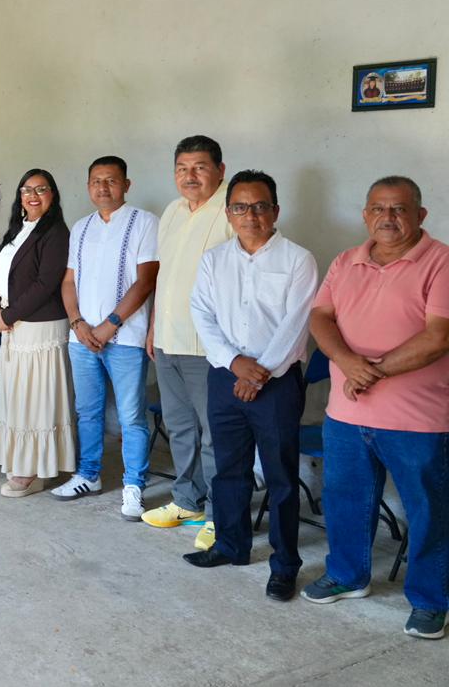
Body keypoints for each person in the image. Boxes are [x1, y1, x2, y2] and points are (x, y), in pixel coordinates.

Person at [302, 176, 449, 640]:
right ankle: (348, 575)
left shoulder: (442, 262)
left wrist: (374, 371)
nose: (388, 217)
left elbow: (438, 336)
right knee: (346, 501)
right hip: (346, 416)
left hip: (417, 418)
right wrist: (345, 361)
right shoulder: (346, 261)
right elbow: (320, 317)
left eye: (400, 209)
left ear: (420, 215)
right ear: (365, 214)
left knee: (429, 509)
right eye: (378, 208)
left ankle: (431, 600)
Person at [184, 171, 318, 602]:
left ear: (275, 211)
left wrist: (260, 372)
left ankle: (284, 565)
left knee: (280, 477)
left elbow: (297, 324)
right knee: (228, 470)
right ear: (228, 213)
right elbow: (201, 313)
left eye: (260, 206)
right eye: (240, 207)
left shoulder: (298, 260)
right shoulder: (214, 259)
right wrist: (236, 364)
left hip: (276, 383)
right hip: (225, 377)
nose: (250, 215)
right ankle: (231, 545)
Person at [53, 156, 159, 521]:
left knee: (131, 415)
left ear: (126, 185)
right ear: (88, 187)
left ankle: (134, 484)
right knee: (88, 411)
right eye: (96, 181)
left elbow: (146, 281)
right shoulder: (80, 228)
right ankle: (88, 474)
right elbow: (69, 281)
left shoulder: (145, 222)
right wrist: (78, 322)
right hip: (82, 337)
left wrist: (110, 323)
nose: (103, 187)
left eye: (111, 180)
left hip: (126, 337)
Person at [142, 136, 233, 550]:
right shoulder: (172, 211)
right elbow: (164, 276)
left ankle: (220, 513)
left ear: (220, 170)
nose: (190, 176)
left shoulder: (234, 211)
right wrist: (153, 328)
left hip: (210, 346)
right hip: (168, 339)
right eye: (182, 168)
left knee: (215, 433)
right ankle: (187, 501)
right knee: (179, 427)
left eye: (199, 167)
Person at [0, 169, 76, 496]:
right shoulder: (16, 229)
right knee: (16, 397)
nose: (33, 195)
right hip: (13, 326)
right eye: (27, 189)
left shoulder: (55, 232)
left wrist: (8, 314)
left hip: (41, 327)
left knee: (36, 399)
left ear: (53, 194)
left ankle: (37, 467)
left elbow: (46, 283)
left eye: (41, 189)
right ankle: (22, 460)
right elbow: (3, 276)